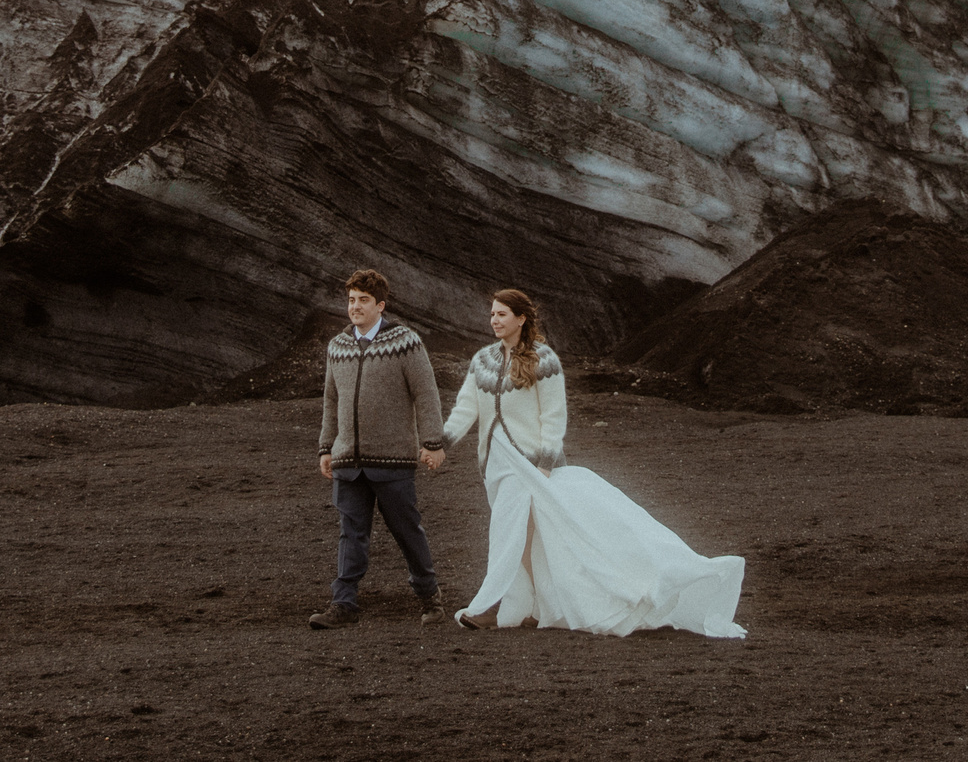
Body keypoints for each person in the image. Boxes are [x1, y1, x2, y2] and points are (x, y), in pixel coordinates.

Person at [439, 287, 746, 636]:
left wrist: (546, 461)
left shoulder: (545, 360)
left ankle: (495, 605)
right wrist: (441, 443)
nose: (494, 320)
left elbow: (554, 416)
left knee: (509, 530)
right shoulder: (482, 361)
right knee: (529, 534)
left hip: (529, 462)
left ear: (521, 319)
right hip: (496, 462)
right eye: (492, 314)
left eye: (501, 314)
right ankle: (532, 604)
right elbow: (467, 406)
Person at [311, 268, 449, 628]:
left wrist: (432, 442)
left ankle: (429, 596)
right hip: (347, 461)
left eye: (363, 301)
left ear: (380, 305)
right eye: (351, 300)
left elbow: (426, 393)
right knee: (351, 531)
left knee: (407, 530)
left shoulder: (406, 342)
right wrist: (327, 447)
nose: (355, 307)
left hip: (393, 460)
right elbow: (330, 400)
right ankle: (344, 604)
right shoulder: (337, 346)